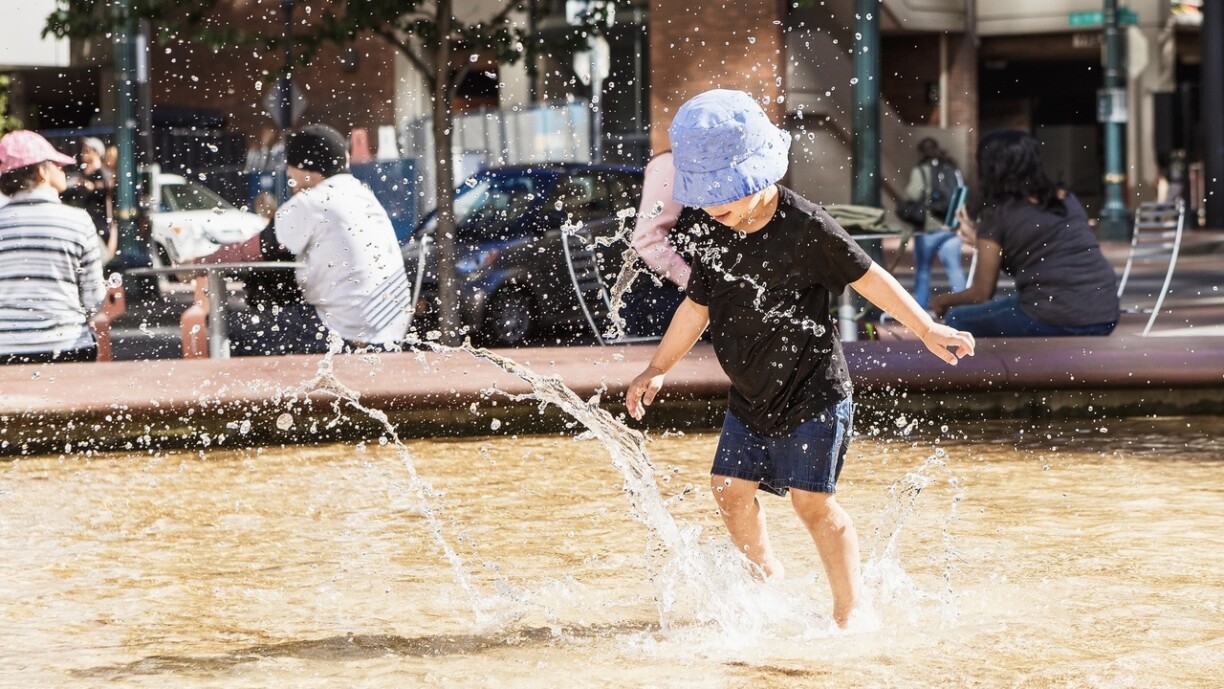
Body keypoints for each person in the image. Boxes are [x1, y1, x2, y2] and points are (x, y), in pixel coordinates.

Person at [623, 90, 975, 628]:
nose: (713, 212)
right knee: (727, 490)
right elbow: (696, 307)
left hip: (813, 394)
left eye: (723, 199)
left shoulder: (808, 227)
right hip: (749, 396)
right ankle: (763, 580)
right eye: (706, 201)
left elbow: (870, 279)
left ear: (755, 176)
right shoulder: (716, 233)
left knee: (812, 504)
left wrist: (924, 327)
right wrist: (659, 366)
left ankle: (851, 607)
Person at [199, 123, 412, 355]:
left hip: (341, 333)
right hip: (389, 334)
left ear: (309, 169)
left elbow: (251, 251)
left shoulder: (312, 201)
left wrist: (196, 263)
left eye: (291, 166)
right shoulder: (364, 196)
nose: (289, 174)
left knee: (229, 326)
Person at [930, 130, 1120, 337]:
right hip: (1105, 313)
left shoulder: (997, 213)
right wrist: (979, 239)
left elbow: (981, 293)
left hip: (1055, 317)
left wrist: (942, 301)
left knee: (957, 318)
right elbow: (1042, 249)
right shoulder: (1064, 198)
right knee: (1014, 303)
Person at [0, 130, 106, 364]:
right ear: (40, 173)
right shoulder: (77, 220)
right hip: (66, 347)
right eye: (57, 165)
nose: (63, 170)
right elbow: (94, 298)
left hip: (3, 352)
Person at [902, 137, 966, 308]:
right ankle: (962, 306)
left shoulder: (921, 170)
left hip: (928, 229)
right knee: (954, 269)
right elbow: (961, 193)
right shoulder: (952, 168)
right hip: (951, 227)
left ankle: (921, 308)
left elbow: (912, 194)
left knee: (923, 270)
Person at [69, 136, 117, 260]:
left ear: (96, 152)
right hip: (85, 222)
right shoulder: (83, 173)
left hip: (100, 224)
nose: (83, 153)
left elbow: (108, 193)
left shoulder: (102, 173)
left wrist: (93, 187)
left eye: (87, 150)